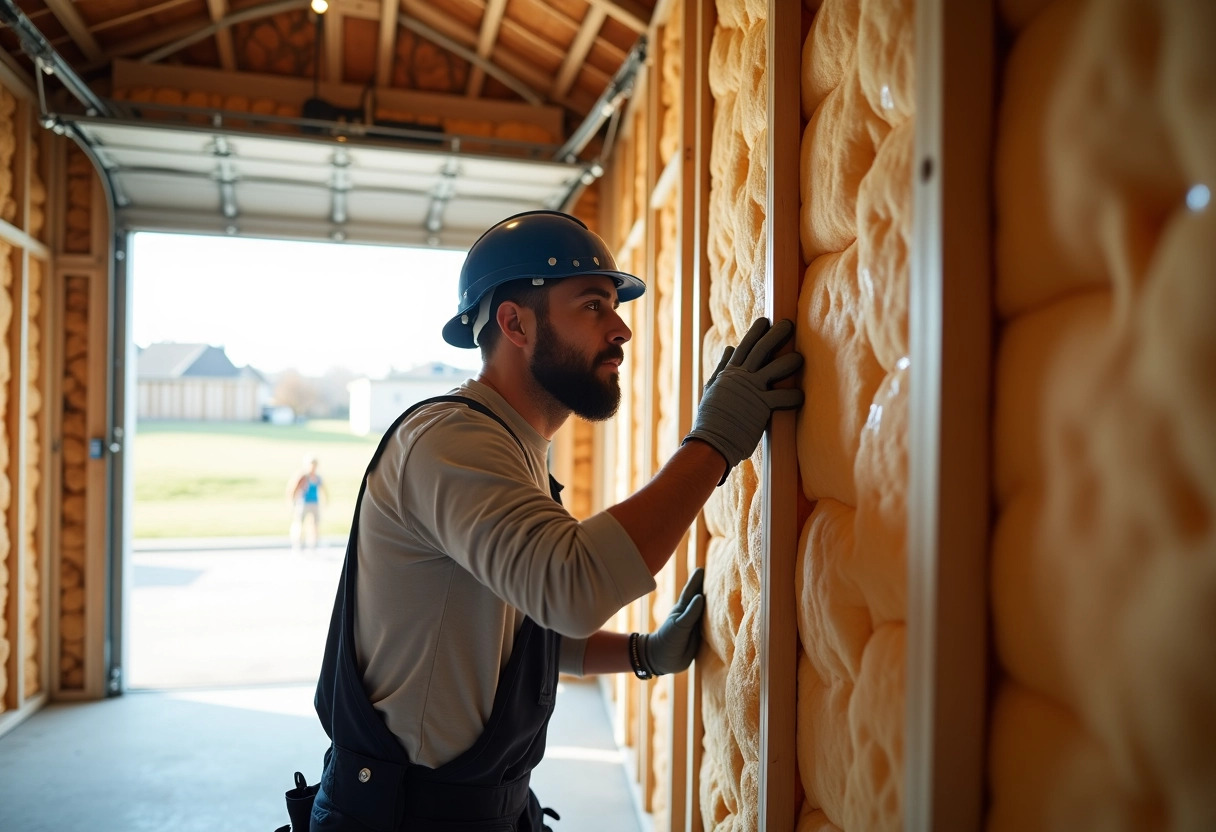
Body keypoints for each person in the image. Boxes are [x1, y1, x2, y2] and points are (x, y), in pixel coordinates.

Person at [304, 210, 803, 832]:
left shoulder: (512, 452)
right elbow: (570, 590)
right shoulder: (451, 441)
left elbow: (522, 629)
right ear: (514, 322)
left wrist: (643, 653)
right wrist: (715, 442)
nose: (621, 328)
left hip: (479, 810)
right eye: (593, 305)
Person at [289, 455, 328, 550]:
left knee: (315, 524)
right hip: (303, 502)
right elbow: (293, 488)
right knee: (300, 522)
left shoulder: (317, 477)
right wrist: (292, 501)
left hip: (314, 503)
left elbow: (323, 489)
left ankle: (314, 543)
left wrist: (326, 499)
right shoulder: (303, 477)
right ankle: (297, 542)